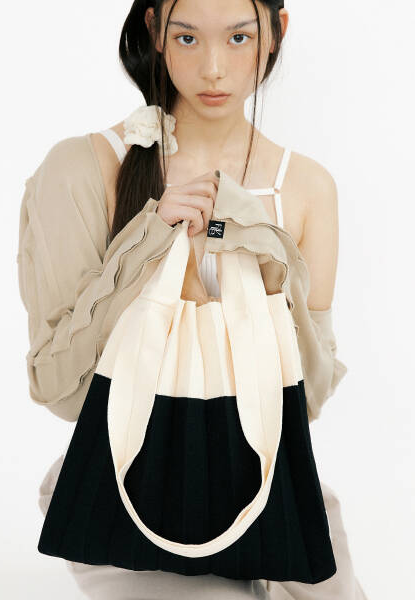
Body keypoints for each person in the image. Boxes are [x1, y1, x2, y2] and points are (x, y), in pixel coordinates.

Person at [18, 0, 369, 597]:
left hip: (271, 488)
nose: (213, 68)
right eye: (186, 38)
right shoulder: (84, 169)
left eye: (238, 38)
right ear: (154, 29)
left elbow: (307, 398)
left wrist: (262, 256)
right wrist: (148, 245)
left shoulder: (306, 187)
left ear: (275, 32)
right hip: (131, 488)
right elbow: (57, 386)